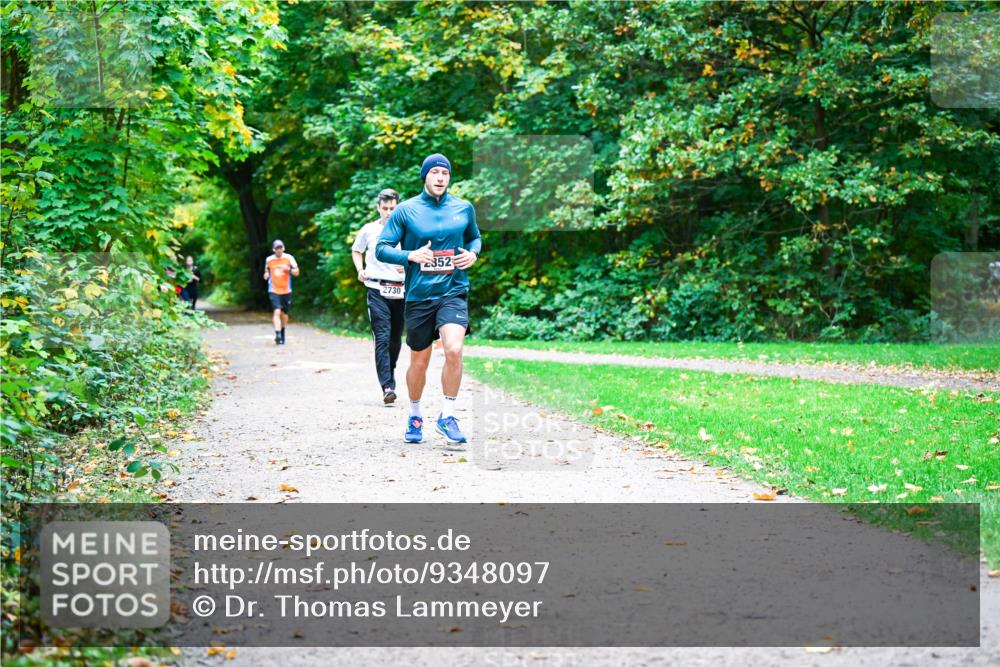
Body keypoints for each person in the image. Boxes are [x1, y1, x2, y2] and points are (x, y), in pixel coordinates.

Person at [376, 154, 481, 446]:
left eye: (444, 173)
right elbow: (382, 249)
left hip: (453, 290)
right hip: (419, 296)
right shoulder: (406, 211)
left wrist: (473, 254)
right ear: (425, 176)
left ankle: (448, 416)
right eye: (434, 172)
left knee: (454, 349)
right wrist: (409, 255)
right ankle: (415, 414)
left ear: (449, 178)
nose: (439, 177)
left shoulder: (463, 208)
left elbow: (475, 238)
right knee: (419, 362)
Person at [352, 189, 407, 404]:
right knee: (382, 337)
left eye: (392, 209)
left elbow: (417, 254)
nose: (388, 213)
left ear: (398, 208)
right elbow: (357, 250)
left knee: (395, 339)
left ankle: (389, 371)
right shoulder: (369, 230)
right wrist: (360, 269)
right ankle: (387, 386)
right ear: (378, 208)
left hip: (401, 290)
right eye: (385, 209)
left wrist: (408, 266)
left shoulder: (407, 231)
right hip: (376, 289)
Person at [263, 239, 299, 345]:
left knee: (284, 314)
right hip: (274, 289)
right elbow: (267, 271)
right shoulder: (269, 259)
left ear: (283, 248)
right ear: (274, 249)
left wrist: (289, 270)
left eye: (280, 248)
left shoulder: (289, 258)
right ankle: (277, 334)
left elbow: (297, 272)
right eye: (276, 248)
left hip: (286, 289)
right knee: (277, 311)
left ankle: (282, 331)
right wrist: (266, 275)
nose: (279, 250)